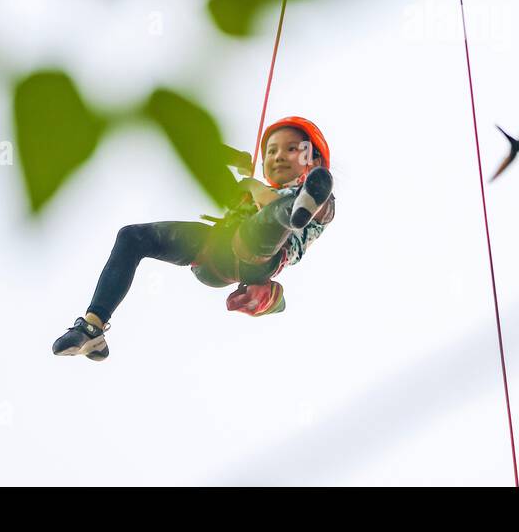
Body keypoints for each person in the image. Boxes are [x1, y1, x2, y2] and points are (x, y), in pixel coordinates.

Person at [51, 116, 335, 361]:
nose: (278, 156)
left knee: (271, 219)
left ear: (314, 161)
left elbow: (286, 204)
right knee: (132, 237)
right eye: (271, 151)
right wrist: (232, 159)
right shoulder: (255, 190)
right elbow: (199, 151)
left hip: (260, 254)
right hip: (215, 249)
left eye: (292, 149)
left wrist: (254, 187)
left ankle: (293, 212)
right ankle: (92, 327)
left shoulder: (321, 199)